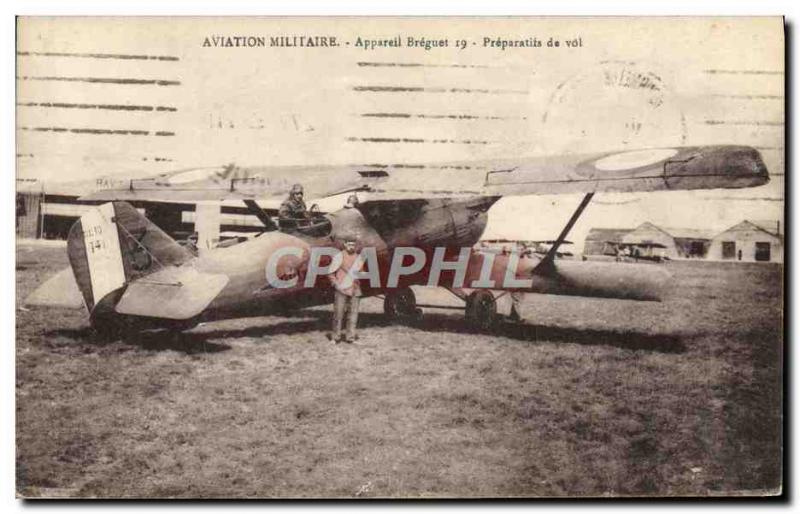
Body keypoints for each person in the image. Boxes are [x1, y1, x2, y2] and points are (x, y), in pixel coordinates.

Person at [327, 238, 362, 344]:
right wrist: (336, 284)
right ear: (345, 245)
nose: (351, 246)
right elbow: (330, 273)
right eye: (349, 244)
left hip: (355, 289)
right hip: (341, 288)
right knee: (338, 314)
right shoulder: (339, 256)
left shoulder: (358, 257)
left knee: (353, 315)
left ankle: (350, 337)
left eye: (353, 244)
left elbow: (359, 272)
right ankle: (335, 337)